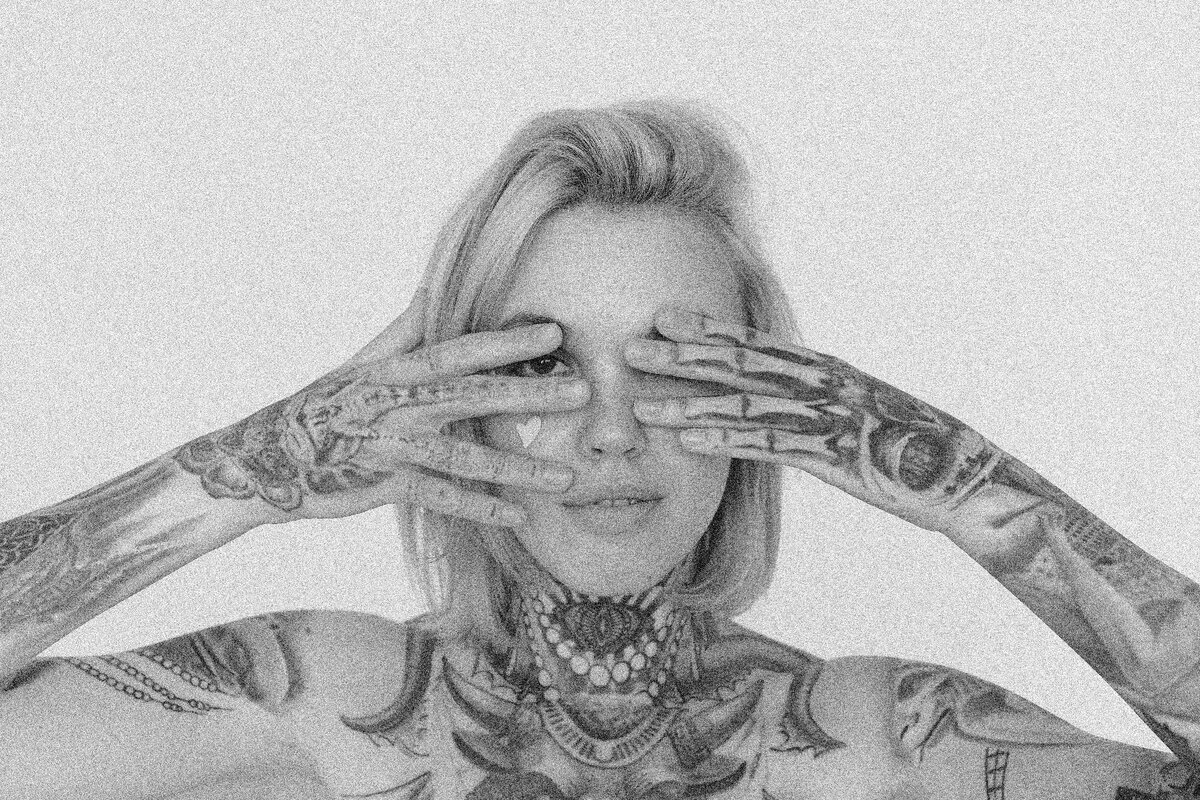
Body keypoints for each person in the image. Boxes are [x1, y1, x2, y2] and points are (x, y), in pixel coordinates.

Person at [0, 101, 1194, 800]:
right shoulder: (329, 698)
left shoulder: (876, 735)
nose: (611, 428)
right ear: (446, 399)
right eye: (542, 365)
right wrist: (248, 472)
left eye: (671, 367)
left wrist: (966, 485)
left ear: (779, 409)